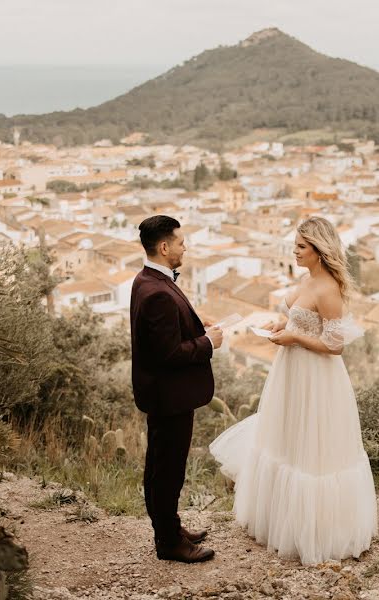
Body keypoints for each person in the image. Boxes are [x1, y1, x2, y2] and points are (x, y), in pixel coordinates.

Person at [209, 216, 378, 565]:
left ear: (319, 250)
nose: (295, 251)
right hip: (290, 372)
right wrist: (280, 324)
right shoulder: (305, 279)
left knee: (313, 447)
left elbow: (335, 345)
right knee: (286, 438)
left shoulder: (329, 288)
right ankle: (280, 522)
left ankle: (316, 532)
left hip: (317, 377)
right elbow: (300, 318)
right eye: (296, 245)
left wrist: (294, 337)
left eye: (301, 246)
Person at [130, 215, 223, 563]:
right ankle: (169, 542)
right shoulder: (156, 291)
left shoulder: (147, 280)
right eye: (181, 242)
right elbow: (169, 353)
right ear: (165, 246)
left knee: (161, 466)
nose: (186, 247)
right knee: (167, 471)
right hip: (169, 396)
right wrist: (209, 343)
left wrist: (198, 325)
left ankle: (170, 528)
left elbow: (165, 333)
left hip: (161, 394)